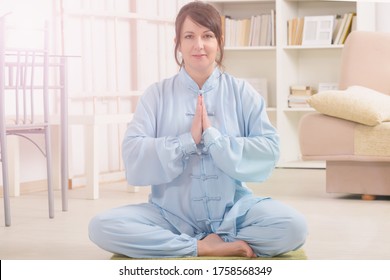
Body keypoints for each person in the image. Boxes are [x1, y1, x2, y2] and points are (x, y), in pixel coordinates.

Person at [89, 1, 307, 258]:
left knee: (294, 227)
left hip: (233, 214)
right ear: (177, 43)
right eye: (189, 36)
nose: (199, 45)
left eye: (207, 36)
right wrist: (186, 141)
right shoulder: (156, 95)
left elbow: (270, 147)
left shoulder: (242, 92)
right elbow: (132, 150)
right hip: (169, 217)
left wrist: (215, 140)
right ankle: (201, 246)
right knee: (101, 227)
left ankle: (210, 240)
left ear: (219, 41)